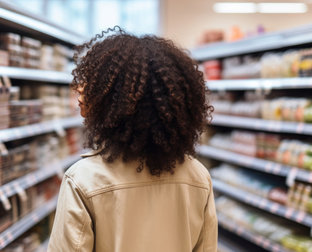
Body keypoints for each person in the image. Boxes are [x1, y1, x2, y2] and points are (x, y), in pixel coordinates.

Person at [48, 27, 217, 252]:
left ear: (113, 100)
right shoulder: (198, 177)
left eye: (93, 82)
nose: (79, 89)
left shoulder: (83, 180)